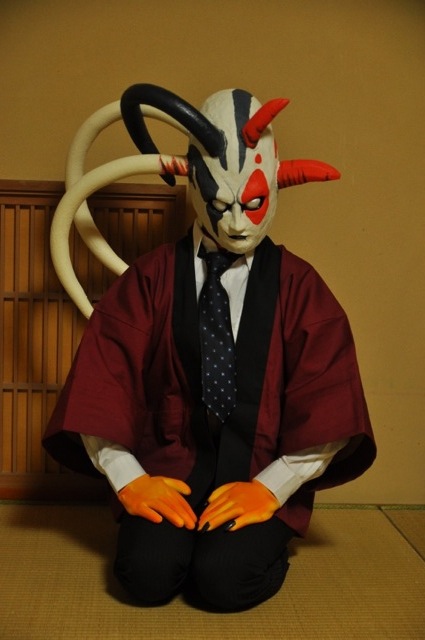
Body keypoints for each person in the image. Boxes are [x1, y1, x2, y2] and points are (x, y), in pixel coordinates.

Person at [43, 84, 376, 612]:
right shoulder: (150, 278)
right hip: (168, 465)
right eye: (222, 205)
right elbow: (103, 382)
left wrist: (271, 488)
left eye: (253, 203)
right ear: (194, 185)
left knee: (224, 582)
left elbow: (329, 399)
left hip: (259, 466)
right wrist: (130, 481)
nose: (237, 223)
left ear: (276, 184)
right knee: (146, 576)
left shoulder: (300, 287)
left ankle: (242, 550)